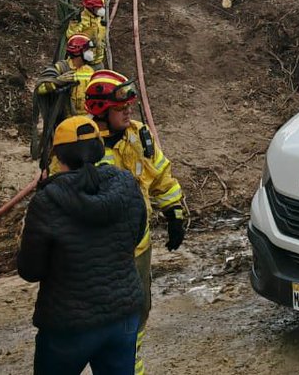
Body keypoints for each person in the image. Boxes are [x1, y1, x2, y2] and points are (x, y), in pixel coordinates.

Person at [18, 115, 147, 375]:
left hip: (68, 325)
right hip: (123, 315)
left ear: (57, 155)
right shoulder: (126, 185)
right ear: (99, 150)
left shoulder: (48, 202)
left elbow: (30, 270)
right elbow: (136, 235)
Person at [84, 71, 186, 375]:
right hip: (98, 255)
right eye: (121, 108)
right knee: (102, 319)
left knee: (138, 312)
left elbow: (159, 175)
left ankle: (131, 366)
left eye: (130, 106)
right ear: (101, 111)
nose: (129, 111)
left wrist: (173, 213)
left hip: (138, 247)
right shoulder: (80, 144)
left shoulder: (138, 135)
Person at [36, 34, 98, 115]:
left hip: (86, 118)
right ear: (77, 52)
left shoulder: (90, 71)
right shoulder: (60, 68)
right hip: (66, 120)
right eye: (87, 50)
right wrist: (57, 81)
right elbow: (39, 89)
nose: (90, 53)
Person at [65, 0, 108, 67]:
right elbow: (71, 37)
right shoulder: (81, 20)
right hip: (85, 61)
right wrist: (75, 24)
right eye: (98, 7)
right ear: (91, 8)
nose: (101, 9)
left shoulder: (98, 19)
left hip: (98, 60)